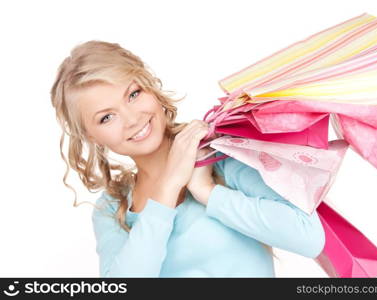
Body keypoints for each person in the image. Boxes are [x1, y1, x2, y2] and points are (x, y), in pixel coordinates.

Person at [50, 40, 325, 277]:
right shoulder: (113, 208)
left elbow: (309, 238)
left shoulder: (220, 155)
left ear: (150, 86)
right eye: (106, 117)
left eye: (133, 94)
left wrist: (207, 191)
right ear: (92, 137)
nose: (132, 119)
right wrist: (169, 188)